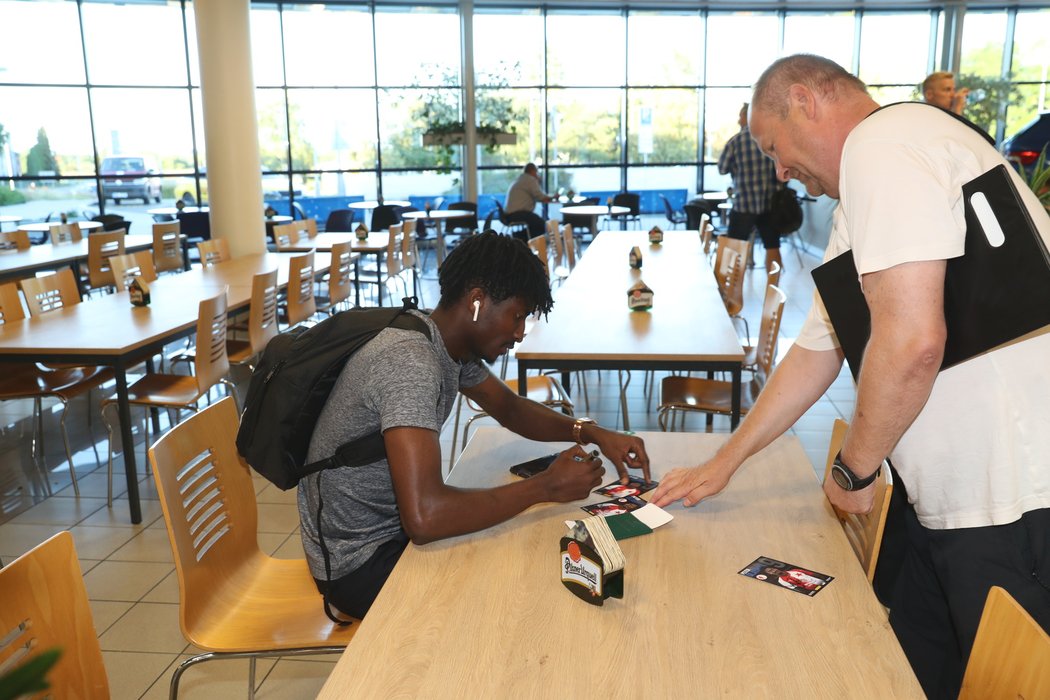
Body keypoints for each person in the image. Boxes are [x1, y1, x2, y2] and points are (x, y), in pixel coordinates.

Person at [652, 54, 1050, 699]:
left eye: (776, 148)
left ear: (807, 100)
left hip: (1011, 500)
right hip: (952, 506)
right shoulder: (865, 195)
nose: (781, 173)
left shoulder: (884, 146)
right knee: (911, 675)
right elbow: (817, 351)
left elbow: (914, 340)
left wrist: (853, 468)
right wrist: (725, 462)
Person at [299, 231, 650, 619]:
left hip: (390, 532)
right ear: (478, 301)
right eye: (517, 316)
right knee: (521, 592)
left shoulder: (442, 341)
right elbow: (426, 517)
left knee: (527, 552)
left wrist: (592, 431)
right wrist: (545, 486)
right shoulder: (410, 363)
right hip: (359, 564)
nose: (519, 334)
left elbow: (511, 409)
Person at [718, 102, 782, 273]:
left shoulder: (735, 141)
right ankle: (773, 286)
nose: (738, 120)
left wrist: (736, 168)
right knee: (772, 246)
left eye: (740, 115)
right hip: (767, 204)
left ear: (748, 117)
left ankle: (730, 290)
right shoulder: (769, 141)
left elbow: (722, 168)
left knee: (734, 249)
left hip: (744, 205)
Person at [504, 162, 552, 242]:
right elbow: (540, 196)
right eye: (536, 172)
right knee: (541, 224)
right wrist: (553, 197)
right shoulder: (530, 179)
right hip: (517, 214)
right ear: (533, 171)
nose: (537, 174)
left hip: (510, 214)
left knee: (535, 222)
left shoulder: (521, 178)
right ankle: (523, 241)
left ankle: (518, 237)